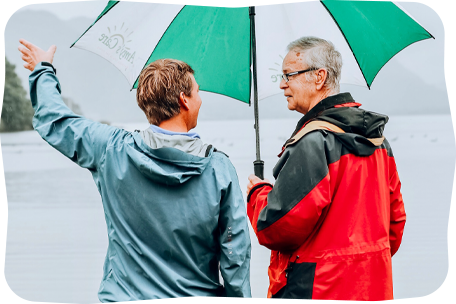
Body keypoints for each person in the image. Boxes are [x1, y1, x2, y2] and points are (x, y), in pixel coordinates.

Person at [18, 39, 252, 304]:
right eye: (197, 91)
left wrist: (43, 70)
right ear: (184, 100)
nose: (200, 98)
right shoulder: (219, 170)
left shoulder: (110, 148)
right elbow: (236, 254)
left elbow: (54, 119)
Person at [246, 36, 406, 304]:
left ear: (319, 77)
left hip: (315, 293)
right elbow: (395, 225)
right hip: (373, 291)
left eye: (289, 75)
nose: (282, 84)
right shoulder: (379, 142)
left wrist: (258, 194)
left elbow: (278, 227)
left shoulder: (313, 142)